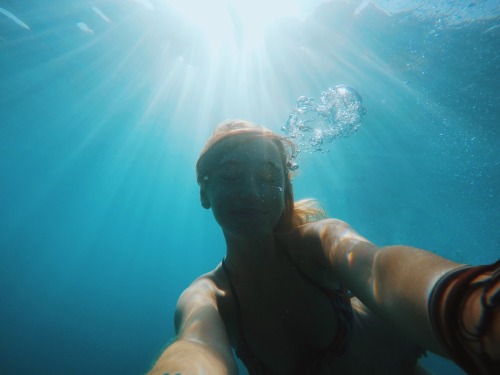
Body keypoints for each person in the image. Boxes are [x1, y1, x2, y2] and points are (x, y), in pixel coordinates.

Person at [148, 120, 499, 375]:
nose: (252, 192)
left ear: (286, 189)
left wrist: (468, 303)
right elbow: (196, 345)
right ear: (204, 193)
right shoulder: (207, 296)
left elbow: (376, 267)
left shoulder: (318, 242)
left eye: (270, 176)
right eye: (229, 175)